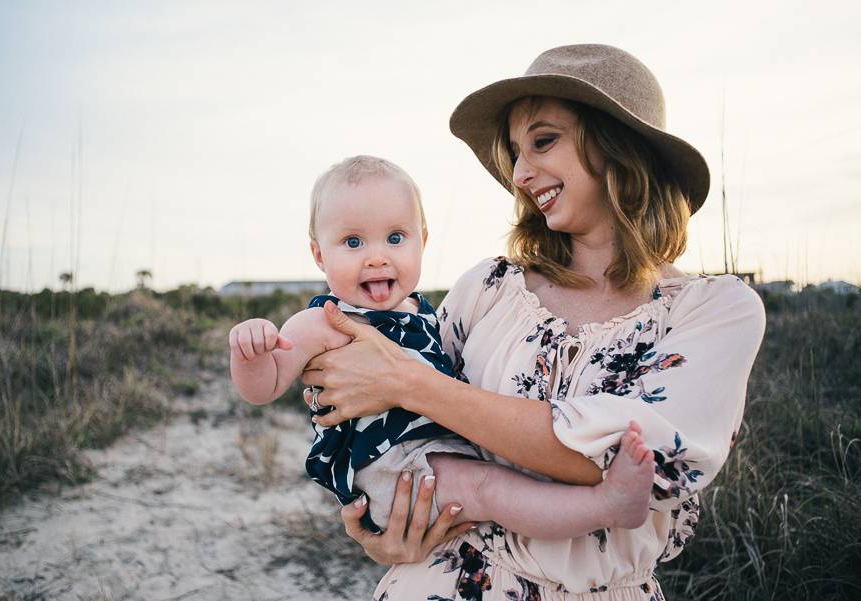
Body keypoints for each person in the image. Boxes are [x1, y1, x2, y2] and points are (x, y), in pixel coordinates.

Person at [301, 45, 766, 600]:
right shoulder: (489, 288)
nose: (520, 174)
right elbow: (378, 414)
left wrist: (414, 384)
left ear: (619, 144)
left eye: (543, 141)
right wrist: (386, 532)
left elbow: (647, 461)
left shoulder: (713, 310)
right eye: (515, 153)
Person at [229, 154, 656, 537]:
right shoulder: (321, 322)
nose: (377, 257)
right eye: (353, 242)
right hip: (390, 466)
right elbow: (262, 388)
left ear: (423, 240)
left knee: (493, 483)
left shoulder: (425, 313)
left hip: (438, 451)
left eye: (395, 238)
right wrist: (250, 351)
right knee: (488, 487)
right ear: (319, 255)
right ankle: (604, 506)